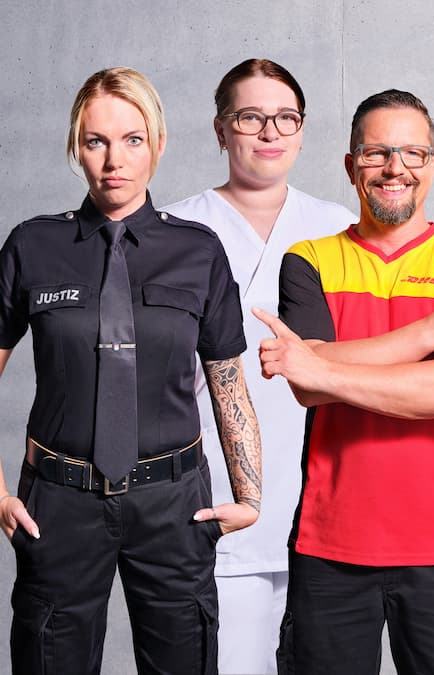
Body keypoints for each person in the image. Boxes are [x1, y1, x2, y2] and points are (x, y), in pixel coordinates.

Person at [0, 67, 262, 674]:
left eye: (132, 139)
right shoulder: (32, 246)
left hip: (174, 504)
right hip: (58, 504)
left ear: (159, 144)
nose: (114, 160)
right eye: (96, 141)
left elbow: (228, 383)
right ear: (77, 148)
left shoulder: (198, 251)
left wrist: (250, 495)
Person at [254, 89, 434, 675]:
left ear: (433, 165)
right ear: (351, 165)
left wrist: (325, 366)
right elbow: (306, 385)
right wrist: (430, 333)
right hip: (329, 545)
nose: (396, 168)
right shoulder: (309, 260)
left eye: (413, 153)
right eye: (376, 153)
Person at [164, 58, 356, 675]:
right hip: (217, 503)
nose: (270, 131)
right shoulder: (173, 230)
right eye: (250, 117)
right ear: (221, 130)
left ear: (302, 129)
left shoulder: (340, 228)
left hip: (328, 507)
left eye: (285, 117)